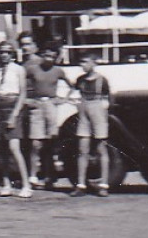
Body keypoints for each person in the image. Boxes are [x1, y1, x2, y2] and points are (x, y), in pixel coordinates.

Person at [0, 43, 31, 198]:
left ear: (12, 54)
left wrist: (14, 115)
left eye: (7, 52)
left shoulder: (18, 69)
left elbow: (22, 94)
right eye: (1, 52)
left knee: (14, 147)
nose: (4, 55)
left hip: (12, 107)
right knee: (2, 150)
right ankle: (6, 184)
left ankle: (26, 184)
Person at [24, 45, 69, 189]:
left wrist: (63, 99)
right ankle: (33, 176)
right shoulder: (32, 69)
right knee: (36, 143)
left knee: (51, 143)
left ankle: (50, 177)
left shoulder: (58, 71)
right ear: (42, 55)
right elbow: (20, 85)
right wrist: (26, 100)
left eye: (53, 56)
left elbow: (73, 86)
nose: (49, 58)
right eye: (47, 55)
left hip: (51, 105)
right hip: (37, 106)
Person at [72, 54, 112, 196]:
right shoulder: (80, 80)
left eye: (85, 61)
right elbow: (75, 95)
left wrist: (102, 111)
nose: (82, 64)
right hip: (84, 112)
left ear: (94, 63)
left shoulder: (102, 80)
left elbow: (108, 99)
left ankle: (104, 185)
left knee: (101, 148)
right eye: (81, 61)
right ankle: (81, 184)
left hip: (98, 111)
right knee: (82, 149)